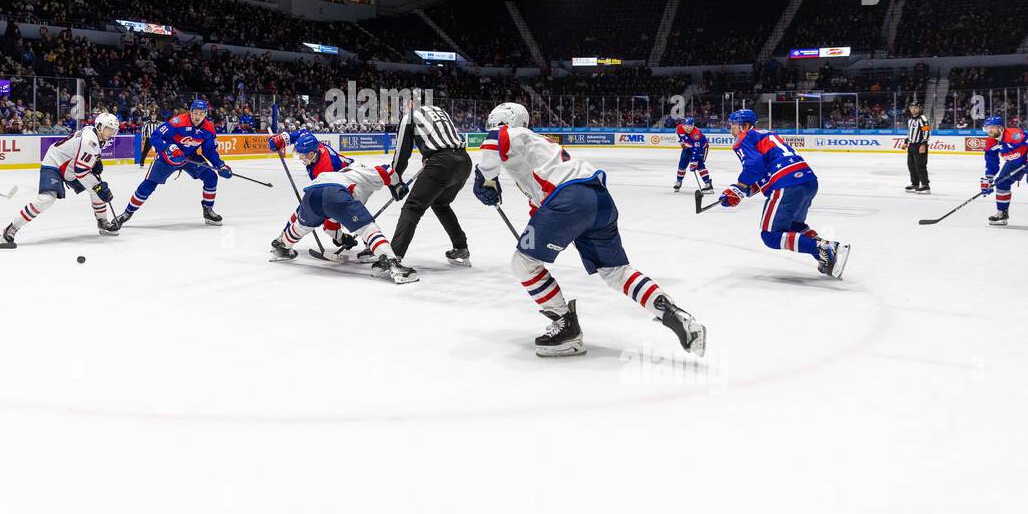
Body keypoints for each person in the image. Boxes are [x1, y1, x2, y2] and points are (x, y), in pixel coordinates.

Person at [473, 102, 705, 358]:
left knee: (523, 264)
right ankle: (672, 313)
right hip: (599, 199)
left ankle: (566, 327)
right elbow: (540, 206)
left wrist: (486, 177)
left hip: (568, 200)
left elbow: (496, 138)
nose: (490, 129)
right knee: (616, 272)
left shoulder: (509, 133)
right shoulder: (536, 149)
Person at [268, 133, 417, 284]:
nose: (301, 159)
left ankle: (283, 247)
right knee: (366, 227)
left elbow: (328, 222)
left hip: (312, 193)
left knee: (301, 225)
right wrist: (398, 186)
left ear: (313, 152)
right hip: (337, 194)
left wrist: (340, 237)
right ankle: (392, 263)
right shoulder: (362, 171)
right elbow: (386, 170)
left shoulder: (330, 166)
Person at [717, 109, 849, 278]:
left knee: (771, 236)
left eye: (733, 125)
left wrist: (738, 187)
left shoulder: (744, 138)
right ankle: (826, 257)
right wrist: (743, 191)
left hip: (786, 184)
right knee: (794, 227)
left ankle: (823, 248)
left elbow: (754, 166)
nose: (730, 130)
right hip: (808, 182)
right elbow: (765, 171)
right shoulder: (766, 135)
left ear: (745, 126)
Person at [1, 113, 120, 244]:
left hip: (71, 166)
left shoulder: (94, 132)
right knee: (46, 199)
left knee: (96, 190)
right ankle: (10, 229)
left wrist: (96, 160)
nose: (112, 133)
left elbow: (82, 156)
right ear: (99, 126)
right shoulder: (90, 141)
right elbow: (81, 172)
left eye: (114, 130)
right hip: (55, 163)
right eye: (109, 129)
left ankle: (102, 222)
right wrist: (98, 186)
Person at [122, 99, 232, 227]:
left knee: (211, 177)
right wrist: (169, 148)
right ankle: (127, 212)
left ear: (205, 114)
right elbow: (155, 137)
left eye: (201, 114)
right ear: (190, 112)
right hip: (167, 157)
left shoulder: (209, 129)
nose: (198, 116)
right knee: (149, 184)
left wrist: (220, 165)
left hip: (189, 158)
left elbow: (210, 151)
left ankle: (208, 210)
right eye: (195, 113)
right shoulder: (178, 121)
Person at [388, 102, 472, 265]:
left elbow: (402, 155)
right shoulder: (440, 111)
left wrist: (395, 180)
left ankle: (394, 256)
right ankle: (460, 246)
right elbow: (444, 138)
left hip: (441, 164)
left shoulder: (408, 118)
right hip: (464, 161)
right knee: (441, 204)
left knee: (412, 207)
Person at [980, 115, 1027, 226]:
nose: (990, 130)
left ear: (1000, 128)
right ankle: (1002, 213)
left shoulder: (1014, 135)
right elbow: (991, 161)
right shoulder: (991, 143)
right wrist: (989, 178)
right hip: (1014, 163)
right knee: (1001, 183)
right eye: (987, 128)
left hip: (1027, 158)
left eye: (993, 127)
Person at [673, 116, 712, 192]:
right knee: (682, 164)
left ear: (693, 125)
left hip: (701, 149)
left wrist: (694, 163)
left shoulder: (696, 134)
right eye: (685, 126)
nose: (686, 128)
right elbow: (679, 136)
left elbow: (696, 150)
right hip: (688, 147)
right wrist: (682, 144)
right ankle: (679, 181)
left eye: (689, 126)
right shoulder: (679, 128)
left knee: (699, 165)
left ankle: (708, 184)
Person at [904, 100, 931, 193]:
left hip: (920, 145)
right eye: (911, 107)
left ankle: (925, 185)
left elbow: (927, 131)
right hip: (911, 146)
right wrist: (906, 141)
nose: (913, 109)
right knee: (911, 166)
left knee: (920, 165)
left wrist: (923, 144)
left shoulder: (922, 118)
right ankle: (915, 184)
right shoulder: (910, 119)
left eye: (915, 107)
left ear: (920, 109)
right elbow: (910, 133)